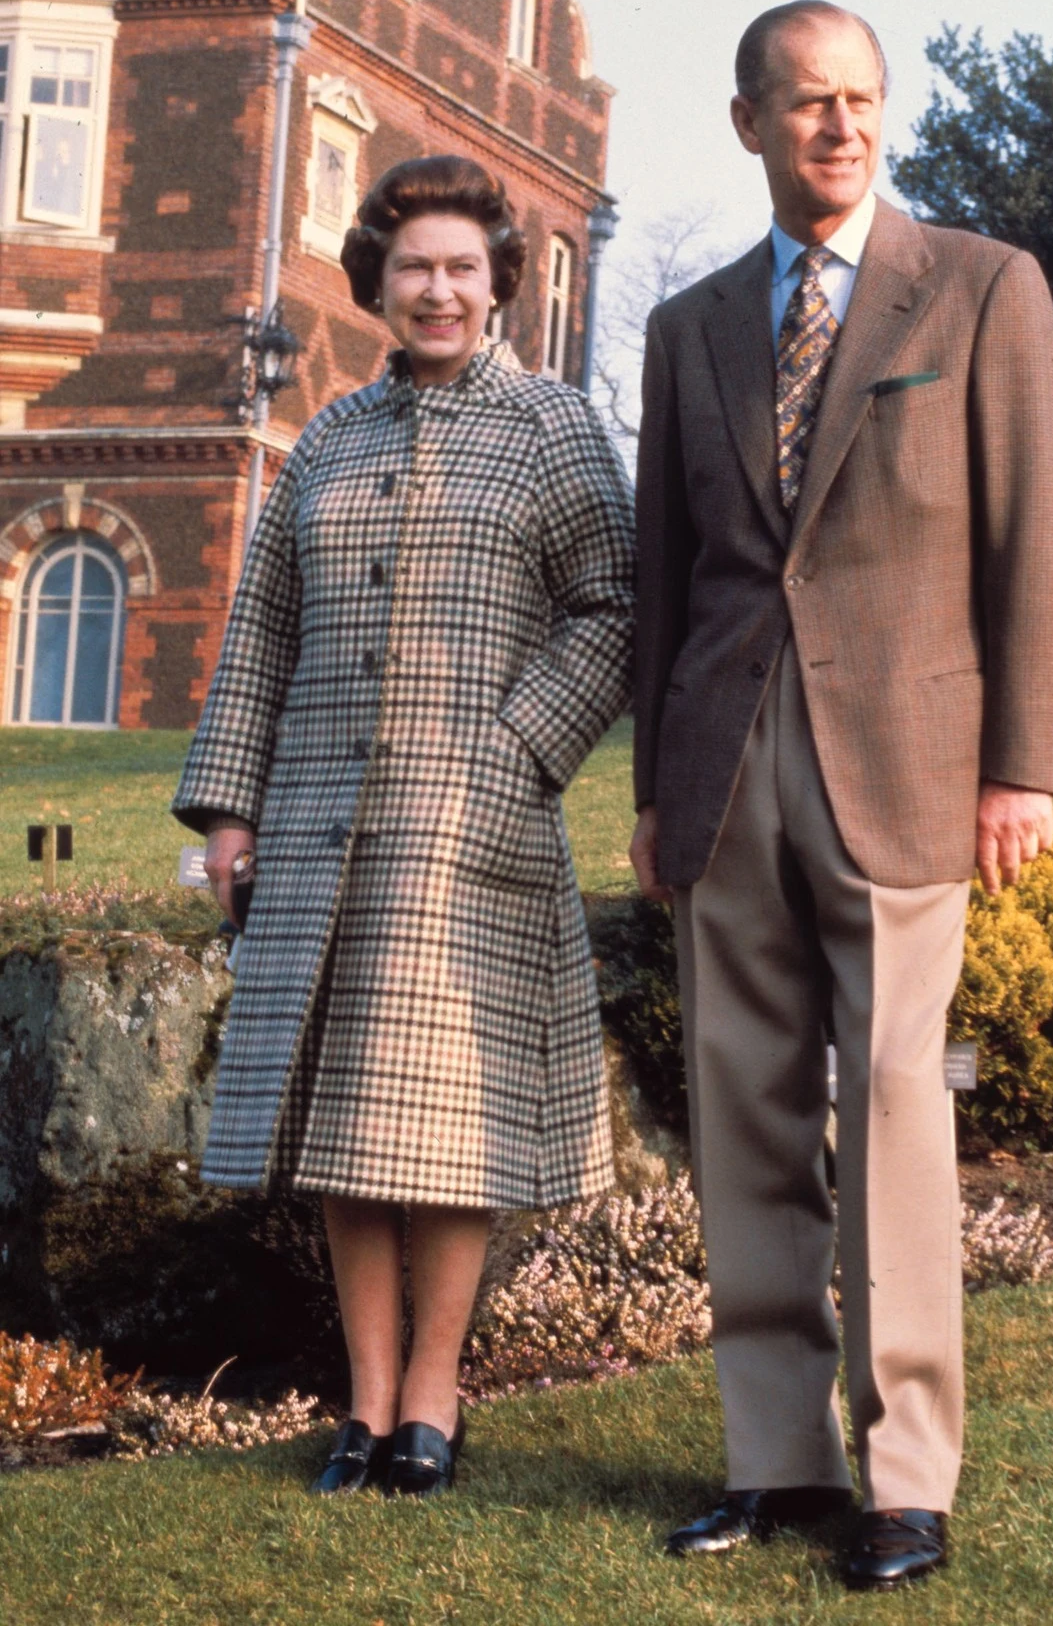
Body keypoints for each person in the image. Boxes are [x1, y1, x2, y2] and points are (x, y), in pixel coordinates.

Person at [630, 1, 1053, 1589]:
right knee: (745, 1120)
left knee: (898, 1110)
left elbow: (1043, 539)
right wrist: (654, 788)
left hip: (905, 768)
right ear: (746, 120)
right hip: (723, 769)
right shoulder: (685, 326)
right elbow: (666, 576)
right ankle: (778, 1466)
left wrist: (1019, 766)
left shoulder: (976, 288)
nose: (836, 126)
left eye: (859, 100)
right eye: (803, 103)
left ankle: (907, 1481)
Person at [174, 155, 634, 1500]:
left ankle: (433, 1398)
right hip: (316, 821)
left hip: (468, 829)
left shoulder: (551, 428)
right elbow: (260, 625)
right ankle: (362, 1404)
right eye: (411, 267)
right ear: (375, 280)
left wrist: (514, 753)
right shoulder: (325, 435)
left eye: (461, 268)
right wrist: (231, 808)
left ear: (499, 285)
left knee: (443, 1125)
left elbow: (612, 605)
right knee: (341, 1127)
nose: (436, 290)